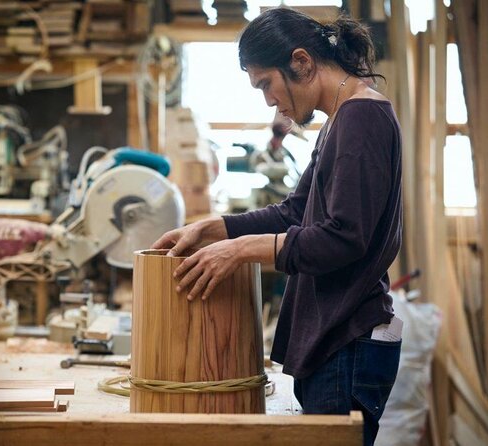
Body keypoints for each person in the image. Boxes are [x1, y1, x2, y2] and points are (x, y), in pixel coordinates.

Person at [151, 7, 402, 446]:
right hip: (335, 339)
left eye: (266, 83)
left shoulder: (362, 119)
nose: (268, 100)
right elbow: (294, 214)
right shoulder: (343, 119)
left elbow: (343, 238)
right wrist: (215, 229)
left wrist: (243, 250)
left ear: (301, 62)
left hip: (348, 339)